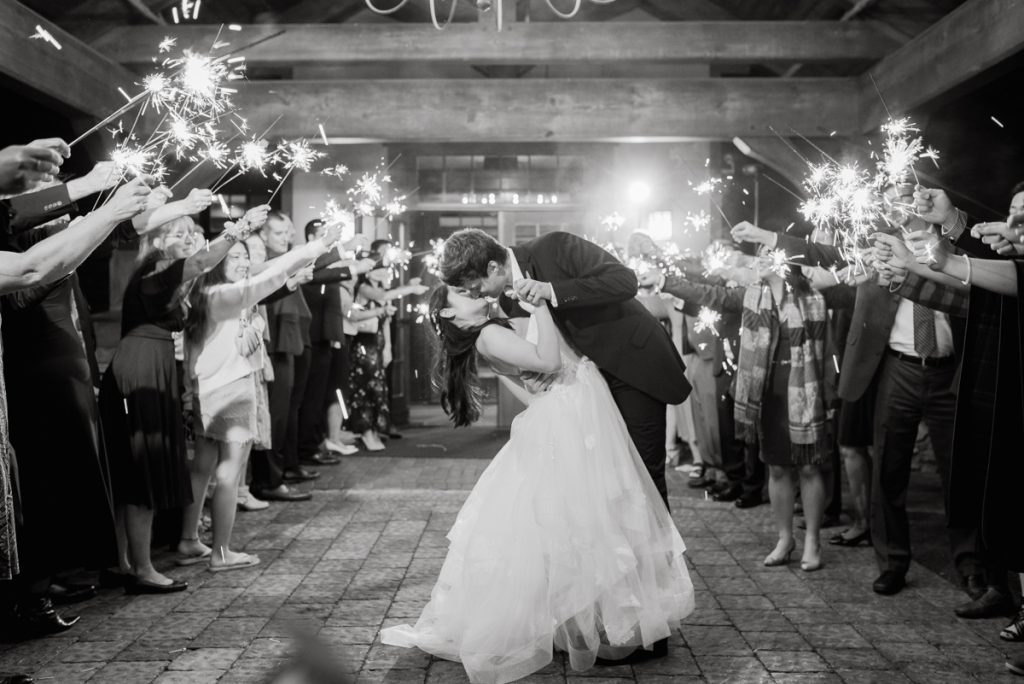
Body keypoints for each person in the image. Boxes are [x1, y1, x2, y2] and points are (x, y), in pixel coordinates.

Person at [380, 283, 694, 683]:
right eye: (459, 292)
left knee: (575, 523)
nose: (471, 289)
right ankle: (600, 624)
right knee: (587, 520)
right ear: (446, 314)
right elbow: (547, 361)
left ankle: (585, 622)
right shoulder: (490, 335)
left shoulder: (492, 333)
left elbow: (533, 394)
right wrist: (541, 306)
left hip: (563, 417)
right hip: (569, 420)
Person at [645, 243, 849, 572]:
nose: (763, 257)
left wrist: (830, 398)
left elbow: (828, 354)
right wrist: (665, 281)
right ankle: (785, 538)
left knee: (810, 468)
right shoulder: (752, 294)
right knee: (778, 468)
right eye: (762, 252)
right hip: (767, 393)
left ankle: (812, 539)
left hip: (806, 391)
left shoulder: (813, 296)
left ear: (788, 260)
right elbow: (709, 294)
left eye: (771, 251)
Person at [100, 196, 259, 592]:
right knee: (143, 466)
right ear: (158, 239)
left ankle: (123, 562)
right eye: (181, 233)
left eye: (192, 233)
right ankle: (141, 569)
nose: (190, 239)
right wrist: (238, 229)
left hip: (149, 361)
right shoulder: (157, 269)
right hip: (143, 366)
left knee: (137, 468)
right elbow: (203, 263)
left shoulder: (163, 272)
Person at [182, 219, 344, 571]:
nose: (243, 263)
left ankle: (188, 539)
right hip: (230, 390)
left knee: (204, 467)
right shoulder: (221, 295)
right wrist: (317, 247)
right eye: (235, 257)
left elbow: (270, 267)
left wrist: (316, 250)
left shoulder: (214, 290)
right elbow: (268, 276)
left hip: (211, 388)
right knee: (229, 472)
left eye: (245, 257)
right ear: (217, 262)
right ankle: (221, 552)